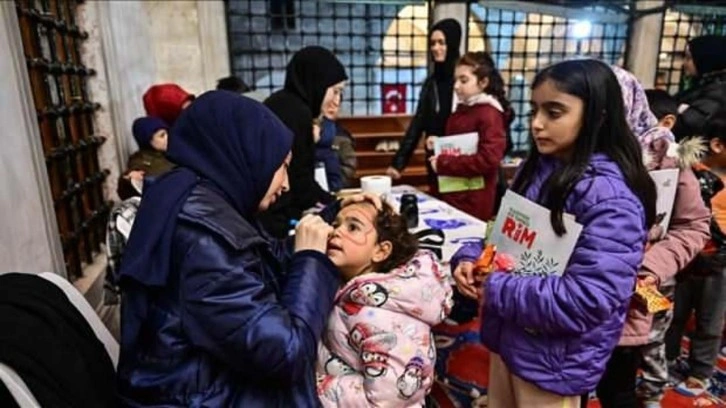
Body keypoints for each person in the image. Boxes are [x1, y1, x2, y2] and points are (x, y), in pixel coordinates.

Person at [117, 91, 351, 406]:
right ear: (248, 156)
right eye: (282, 166)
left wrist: (338, 213)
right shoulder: (203, 242)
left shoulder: (196, 195)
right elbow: (287, 354)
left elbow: (260, 260)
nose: (286, 185)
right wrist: (310, 260)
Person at [452, 59, 657, 407]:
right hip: (511, 339)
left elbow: (589, 298)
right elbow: (503, 237)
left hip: (555, 361)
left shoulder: (611, 199)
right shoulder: (537, 172)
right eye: (535, 110)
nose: (536, 124)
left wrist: (496, 286)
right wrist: (472, 257)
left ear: (599, 116)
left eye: (554, 112)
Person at [590, 66, 709, 408]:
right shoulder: (568, 152)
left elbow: (693, 224)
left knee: (618, 384)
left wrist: (649, 266)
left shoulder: (663, 158)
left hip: (630, 297)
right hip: (569, 296)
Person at [316, 199, 452, 406]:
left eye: (353, 227)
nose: (336, 232)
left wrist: (315, 386)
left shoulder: (380, 317)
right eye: (336, 225)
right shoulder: (347, 290)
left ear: (380, 251)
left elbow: (387, 398)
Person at [665, 109, 726, 399]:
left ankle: (700, 370)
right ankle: (667, 357)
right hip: (685, 258)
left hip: (720, 263)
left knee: (710, 319)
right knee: (674, 312)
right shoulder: (689, 172)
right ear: (717, 145)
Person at [261, 46, 348, 238]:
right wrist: (338, 204)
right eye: (334, 91)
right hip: (275, 220)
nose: (336, 100)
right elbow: (300, 181)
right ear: (317, 83)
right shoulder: (296, 112)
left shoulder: (281, 102)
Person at [429, 51, 511, 221]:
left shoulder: (489, 114)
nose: (456, 86)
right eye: (456, 80)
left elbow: (488, 159)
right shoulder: (463, 109)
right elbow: (461, 144)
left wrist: (443, 163)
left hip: (472, 200)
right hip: (455, 192)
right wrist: (440, 144)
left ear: (483, 82)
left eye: (464, 80)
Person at [387, 19, 462, 190]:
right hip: (435, 159)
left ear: (452, 43)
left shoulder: (463, 81)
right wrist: (399, 163)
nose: (436, 48)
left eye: (441, 43)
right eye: (433, 43)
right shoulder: (431, 83)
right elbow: (418, 123)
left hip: (460, 159)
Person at [672, 35, 726, 141]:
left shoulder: (717, 92)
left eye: (689, 58)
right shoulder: (706, 87)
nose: (684, 63)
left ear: (706, 59)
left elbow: (687, 124)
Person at [117, 116, 176, 200]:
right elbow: (129, 185)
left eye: (167, 133)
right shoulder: (141, 160)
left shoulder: (175, 152)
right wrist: (128, 179)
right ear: (149, 140)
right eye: (162, 136)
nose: (167, 138)